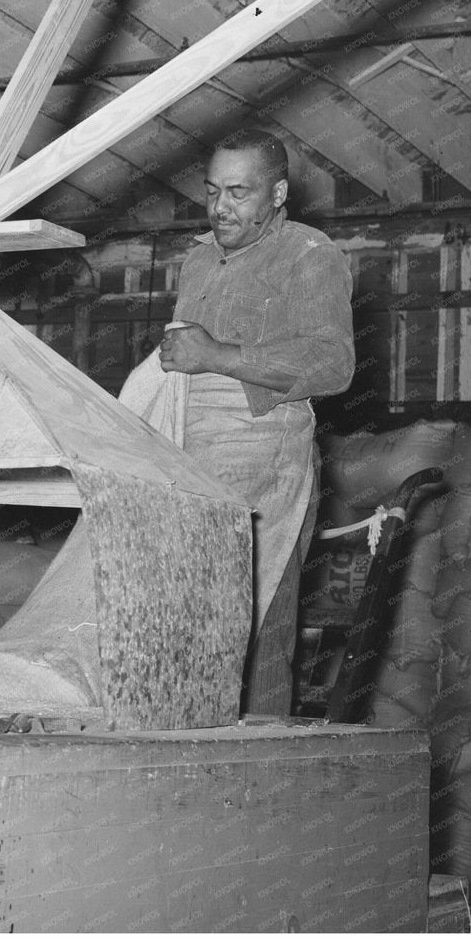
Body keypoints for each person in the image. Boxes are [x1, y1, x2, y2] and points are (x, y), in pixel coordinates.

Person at [153, 129, 354, 715]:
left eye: (239, 193)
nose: (221, 207)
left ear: (278, 193)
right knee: (187, 620)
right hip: (193, 458)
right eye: (213, 191)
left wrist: (218, 355)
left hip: (266, 462)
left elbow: (334, 364)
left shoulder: (309, 255)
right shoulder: (198, 259)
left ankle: (259, 754)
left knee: (257, 624)